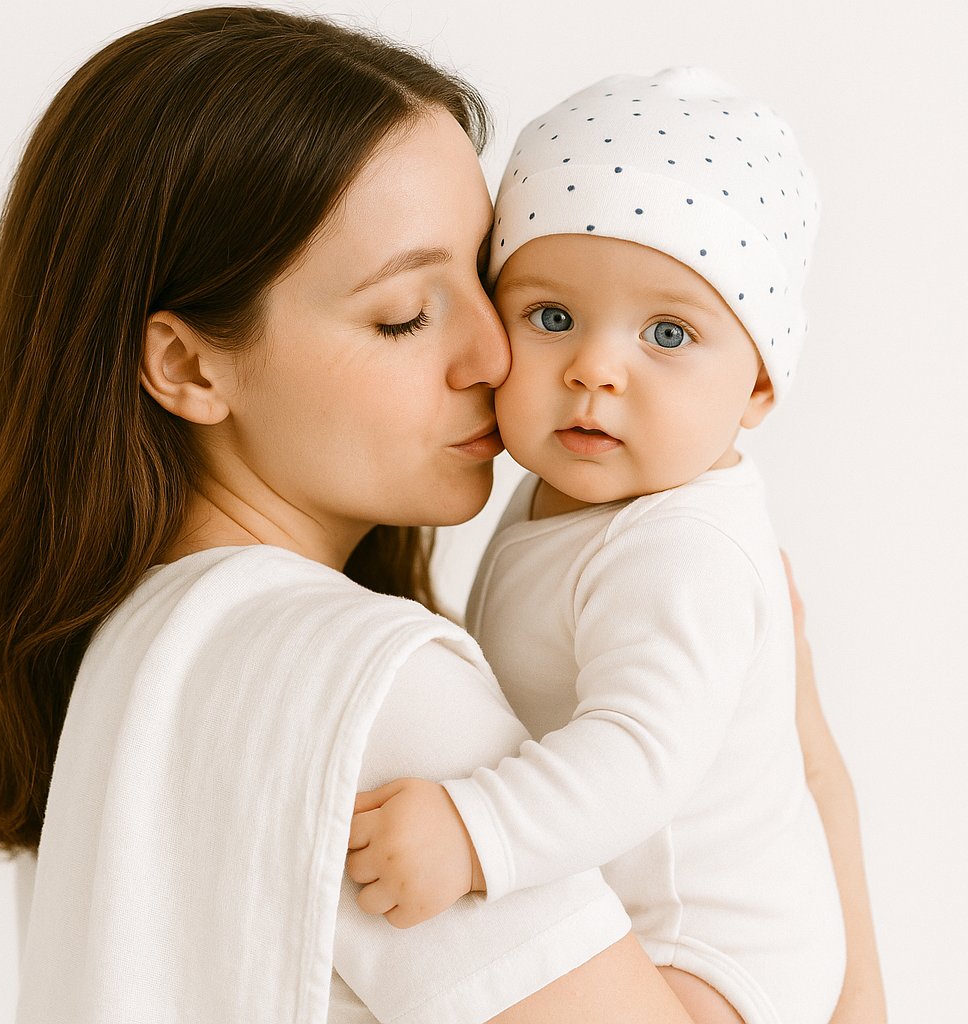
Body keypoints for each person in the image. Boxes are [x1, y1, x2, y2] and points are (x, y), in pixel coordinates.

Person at [0, 9, 882, 1023]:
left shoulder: (124, 669)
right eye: (404, 314)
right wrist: (815, 772)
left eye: (488, 284)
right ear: (187, 363)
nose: (496, 357)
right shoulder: (370, 691)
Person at [346, 70, 875, 1024]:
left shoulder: (685, 548)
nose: (594, 367)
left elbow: (637, 752)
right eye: (552, 318)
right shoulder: (575, 496)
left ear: (758, 386)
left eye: (668, 332)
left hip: (716, 955)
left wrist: (476, 834)